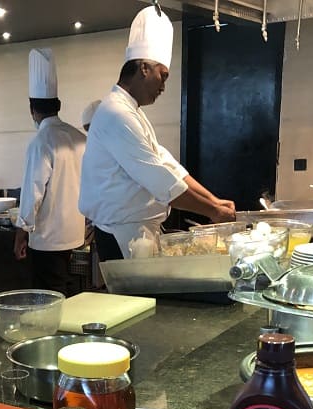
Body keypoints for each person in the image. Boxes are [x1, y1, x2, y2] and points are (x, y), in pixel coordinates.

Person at [79, 6, 236, 260]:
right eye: (162, 76)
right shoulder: (116, 113)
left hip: (136, 232)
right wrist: (212, 211)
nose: (163, 86)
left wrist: (214, 201)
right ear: (143, 68)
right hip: (122, 236)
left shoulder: (132, 111)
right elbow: (159, 179)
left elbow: (167, 164)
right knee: (132, 301)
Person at [14, 47, 87, 295]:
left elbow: (32, 191)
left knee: (49, 298)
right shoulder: (79, 138)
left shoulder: (41, 141)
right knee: (71, 296)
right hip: (76, 235)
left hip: (48, 240)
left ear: (31, 109)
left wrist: (21, 233)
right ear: (59, 105)